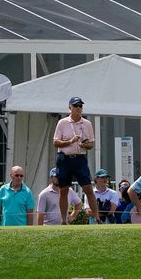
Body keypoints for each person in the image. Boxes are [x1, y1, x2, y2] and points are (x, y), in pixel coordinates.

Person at [53, 96, 100, 224]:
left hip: (80, 159)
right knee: (64, 190)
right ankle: (63, 220)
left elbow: (91, 144)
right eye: (76, 106)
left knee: (88, 189)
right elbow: (55, 142)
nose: (78, 108)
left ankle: (97, 218)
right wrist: (70, 141)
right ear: (70, 108)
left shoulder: (87, 123)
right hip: (64, 159)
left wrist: (83, 145)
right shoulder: (62, 123)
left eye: (80, 106)